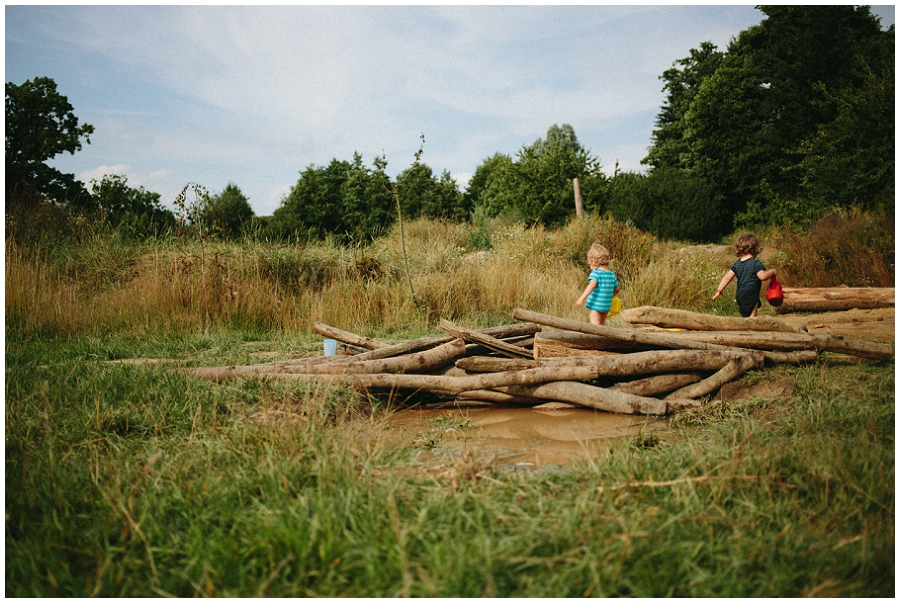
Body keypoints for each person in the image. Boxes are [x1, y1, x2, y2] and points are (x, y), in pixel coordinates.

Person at [712, 232, 778, 318]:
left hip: (740, 294)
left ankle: (746, 326)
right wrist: (772, 272)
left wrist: (719, 290)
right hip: (751, 293)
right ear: (756, 249)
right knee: (753, 312)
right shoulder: (756, 263)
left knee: (745, 314)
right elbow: (763, 276)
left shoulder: (736, 264)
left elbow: (727, 277)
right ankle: (751, 325)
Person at [575, 243, 620, 325]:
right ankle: (601, 337)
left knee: (595, 324)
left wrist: (581, 298)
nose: (590, 266)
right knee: (601, 324)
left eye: (590, 264)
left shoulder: (596, 273)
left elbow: (591, 286)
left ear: (594, 261)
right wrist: (611, 295)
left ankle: (595, 337)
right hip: (606, 305)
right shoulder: (611, 274)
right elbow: (617, 289)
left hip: (596, 305)